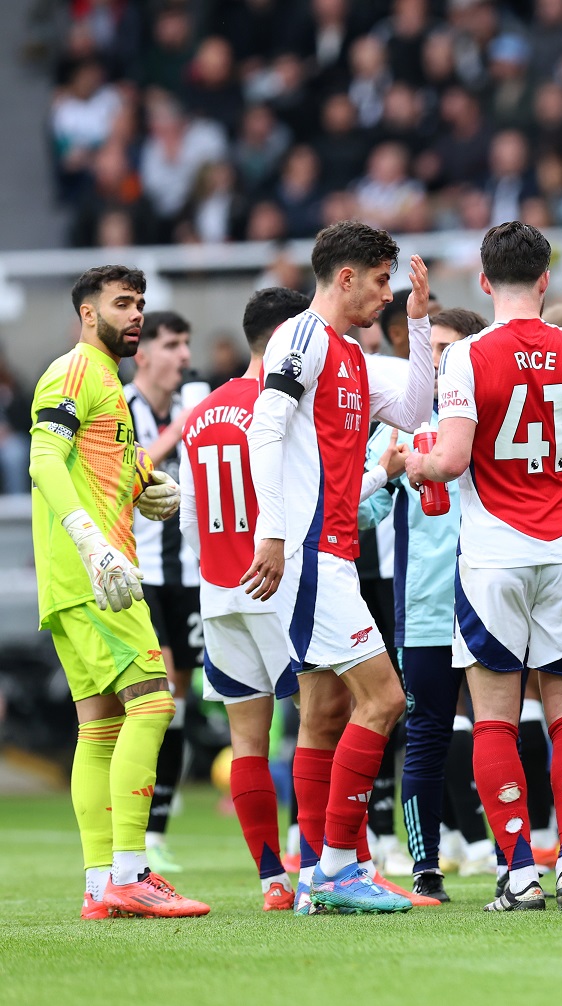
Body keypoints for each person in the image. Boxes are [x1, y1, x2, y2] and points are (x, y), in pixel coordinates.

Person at [406, 222, 562, 912]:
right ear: (546, 280)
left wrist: (409, 462)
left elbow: (451, 461)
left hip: (495, 553)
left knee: (494, 718)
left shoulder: (466, 357)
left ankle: (519, 871)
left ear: (482, 280)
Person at [243, 220, 437, 915]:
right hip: (306, 554)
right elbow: (264, 427)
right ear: (346, 277)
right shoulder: (301, 338)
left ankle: (325, 870)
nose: (388, 293)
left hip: (335, 553)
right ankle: (334, 868)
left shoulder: (350, 354)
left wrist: (417, 323)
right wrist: (271, 532)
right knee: (384, 699)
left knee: (324, 714)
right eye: (383, 281)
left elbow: (415, 409)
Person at [30, 264, 208, 918]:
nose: (135, 314)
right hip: (98, 575)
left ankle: (99, 884)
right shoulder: (76, 369)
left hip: (79, 576)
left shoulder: (107, 381)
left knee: (100, 728)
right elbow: (44, 457)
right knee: (156, 703)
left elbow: (97, 463)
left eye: (140, 303)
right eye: (122, 304)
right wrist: (92, 540)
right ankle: (134, 873)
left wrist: (145, 485)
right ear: (88, 313)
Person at [178, 287, 320, 911]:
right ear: (289, 334)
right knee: (323, 723)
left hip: (220, 592)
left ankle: (271, 882)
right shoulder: (281, 406)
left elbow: (187, 518)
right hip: (277, 585)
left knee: (248, 742)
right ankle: (321, 869)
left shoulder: (200, 413)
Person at [356, 306, 481, 903]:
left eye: (452, 349)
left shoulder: (496, 416)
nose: (439, 360)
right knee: (427, 731)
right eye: (432, 350)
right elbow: (358, 516)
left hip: (496, 597)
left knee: (501, 726)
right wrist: (383, 475)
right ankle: (426, 867)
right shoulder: (401, 429)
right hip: (428, 604)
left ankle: (516, 856)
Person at [122, 309, 210, 874]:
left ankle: (157, 827)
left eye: (186, 344)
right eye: (174, 344)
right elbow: (124, 476)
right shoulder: (121, 406)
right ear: (145, 353)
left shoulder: (193, 403)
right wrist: (178, 433)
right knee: (153, 693)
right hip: (139, 573)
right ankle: (135, 831)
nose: (184, 355)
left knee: (177, 699)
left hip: (192, 575)